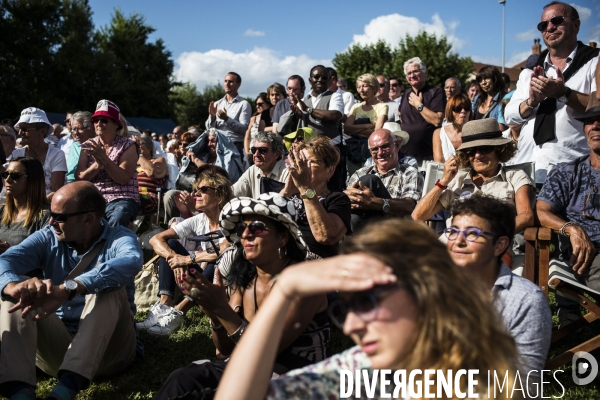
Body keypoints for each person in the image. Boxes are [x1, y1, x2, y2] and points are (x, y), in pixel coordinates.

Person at [214, 219, 520, 400]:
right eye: (349, 307)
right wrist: (286, 288)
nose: (351, 326)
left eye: (369, 302)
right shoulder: (363, 368)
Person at [155, 193, 330, 398]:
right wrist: (215, 316)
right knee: (183, 378)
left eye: (256, 227)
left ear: (283, 237)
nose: (245, 234)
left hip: (294, 378)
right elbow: (224, 352)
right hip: (248, 367)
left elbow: (266, 352)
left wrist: (221, 308)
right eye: (241, 228)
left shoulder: (305, 281)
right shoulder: (245, 279)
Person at [0, 182, 143, 400]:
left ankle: (64, 392)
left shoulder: (119, 237)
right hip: (60, 350)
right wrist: (13, 286)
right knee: (19, 293)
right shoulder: (48, 236)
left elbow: (131, 261)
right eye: (51, 214)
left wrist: (71, 288)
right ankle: (20, 393)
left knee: (110, 288)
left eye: (60, 217)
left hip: (112, 352)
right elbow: (6, 260)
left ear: (87, 219)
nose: (51, 222)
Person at [446, 194, 552, 389]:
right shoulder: (431, 289)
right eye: (452, 231)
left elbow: (524, 385)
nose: (457, 241)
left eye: (472, 234)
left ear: (499, 245)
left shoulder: (525, 300)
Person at [505, 1, 599, 184]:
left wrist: (563, 94)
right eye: (543, 25)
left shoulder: (594, 63)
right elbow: (509, 116)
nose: (549, 27)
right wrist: (531, 102)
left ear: (576, 25)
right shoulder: (529, 72)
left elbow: (598, 106)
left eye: (557, 20)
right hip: (527, 171)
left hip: (571, 173)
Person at [141, 167, 233, 335]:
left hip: (226, 283)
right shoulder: (200, 219)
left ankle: (180, 310)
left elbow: (225, 248)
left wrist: (187, 259)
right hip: (204, 280)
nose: (196, 194)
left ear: (219, 194)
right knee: (169, 244)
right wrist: (174, 258)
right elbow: (155, 239)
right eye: (195, 190)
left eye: (203, 190)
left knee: (218, 259)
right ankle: (164, 304)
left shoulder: (231, 217)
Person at [536, 92, 600, 325]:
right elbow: (541, 211)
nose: (595, 126)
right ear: (583, 129)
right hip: (587, 256)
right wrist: (572, 229)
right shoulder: (567, 172)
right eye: (590, 121)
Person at [412, 118, 534, 236]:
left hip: (494, 250)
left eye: (484, 149)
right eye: (471, 150)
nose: (477, 155)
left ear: (499, 149)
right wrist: (443, 181)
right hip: (453, 246)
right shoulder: (456, 179)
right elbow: (418, 216)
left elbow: (526, 216)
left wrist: (493, 237)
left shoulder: (515, 177)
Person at [281, 136, 350, 258]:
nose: (302, 166)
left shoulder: (337, 199)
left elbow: (325, 236)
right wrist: (286, 192)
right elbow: (265, 221)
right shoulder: (287, 195)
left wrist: (306, 190)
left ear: (330, 171)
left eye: (310, 161)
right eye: (299, 161)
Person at [75, 100, 140, 227]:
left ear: (116, 124)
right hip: (93, 197)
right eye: (96, 120)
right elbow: (80, 178)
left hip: (122, 197)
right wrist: (97, 164)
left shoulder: (128, 145)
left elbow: (123, 178)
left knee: (118, 216)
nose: (99, 124)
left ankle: (111, 246)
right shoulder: (88, 145)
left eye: (104, 120)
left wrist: (103, 158)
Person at [345, 128, 422, 232]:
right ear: (370, 152)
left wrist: (375, 202)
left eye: (385, 146)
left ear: (397, 145)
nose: (380, 153)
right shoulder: (360, 173)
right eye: (375, 149)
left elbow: (410, 206)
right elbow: (349, 201)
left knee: (370, 180)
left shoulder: (410, 172)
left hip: (395, 231)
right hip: (365, 228)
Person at [398, 57, 445, 165]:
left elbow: (437, 121)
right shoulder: (406, 93)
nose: (412, 75)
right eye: (408, 73)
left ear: (426, 73)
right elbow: (401, 118)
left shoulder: (436, 92)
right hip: (404, 156)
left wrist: (418, 105)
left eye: (415, 71)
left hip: (426, 157)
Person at [13, 107, 67, 200]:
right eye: (19, 129)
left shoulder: (56, 154)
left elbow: (56, 190)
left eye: (25, 129)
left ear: (42, 131)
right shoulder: (16, 155)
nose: (20, 133)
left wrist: (35, 207)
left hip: (47, 207)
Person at [0, 157, 49, 253]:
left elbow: (48, 259)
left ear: (32, 179)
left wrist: (11, 253)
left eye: (15, 176)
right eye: (5, 174)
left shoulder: (45, 217)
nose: (8, 180)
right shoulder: (1, 211)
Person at [205, 72, 252, 157]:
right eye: (225, 81)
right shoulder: (217, 104)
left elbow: (244, 129)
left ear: (238, 84)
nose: (227, 84)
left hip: (234, 146)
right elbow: (208, 129)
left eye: (230, 81)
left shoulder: (244, 104)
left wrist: (227, 119)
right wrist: (212, 117)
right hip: (217, 146)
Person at [293, 66, 343, 141]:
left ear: (328, 80)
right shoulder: (303, 101)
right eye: (316, 77)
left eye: (324, 78)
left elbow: (334, 115)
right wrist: (299, 116)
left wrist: (308, 109)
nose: (320, 80)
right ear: (310, 80)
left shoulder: (335, 96)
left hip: (331, 147)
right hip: (309, 147)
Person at [233, 131, 289, 199]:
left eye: (263, 150)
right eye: (253, 150)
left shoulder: (288, 172)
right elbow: (232, 193)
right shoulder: (253, 170)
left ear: (276, 154)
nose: (256, 154)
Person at [343, 73, 388, 138]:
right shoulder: (355, 107)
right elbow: (346, 129)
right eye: (359, 87)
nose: (361, 90)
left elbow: (377, 131)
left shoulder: (382, 106)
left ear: (374, 88)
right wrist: (367, 126)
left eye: (365, 86)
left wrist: (354, 130)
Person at [433, 93, 472, 162]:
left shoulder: (476, 132)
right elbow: (438, 163)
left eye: (466, 108)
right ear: (450, 111)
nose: (463, 111)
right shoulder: (439, 133)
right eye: (458, 108)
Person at [136, 135, 168, 215]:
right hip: (133, 193)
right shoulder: (132, 163)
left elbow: (152, 172)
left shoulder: (158, 160)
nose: (137, 146)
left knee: (130, 201)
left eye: (140, 144)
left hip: (149, 196)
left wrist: (139, 154)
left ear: (149, 147)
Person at [472, 65, 507, 130]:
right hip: (476, 138)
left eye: (486, 78)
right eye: (480, 80)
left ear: (495, 78)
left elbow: (502, 129)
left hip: (494, 139)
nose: (483, 82)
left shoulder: (504, 99)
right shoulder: (478, 99)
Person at [66, 111, 95, 184]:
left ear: (91, 128)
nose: (76, 133)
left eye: (80, 128)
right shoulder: (74, 146)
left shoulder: (98, 146)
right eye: (73, 129)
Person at [244, 92, 271, 158]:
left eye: (260, 104)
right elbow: (247, 136)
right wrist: (247, 152)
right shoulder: (253, 119)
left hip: (265, 153)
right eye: (256, 104)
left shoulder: (272, 118)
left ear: (268, 104)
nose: (257, 106)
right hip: (252, 152)